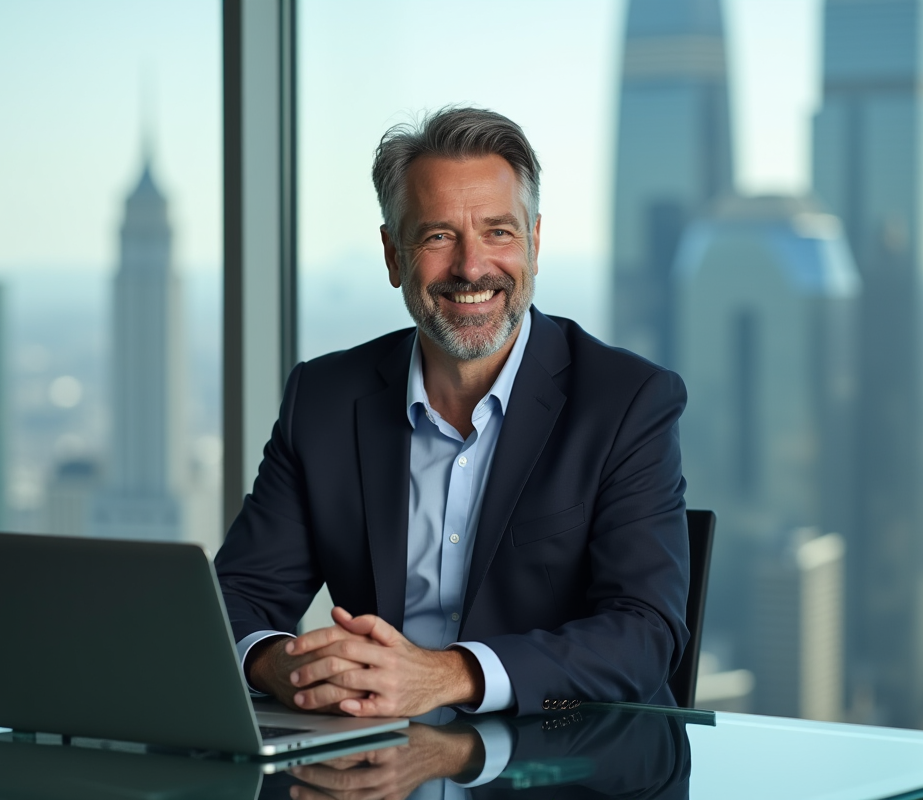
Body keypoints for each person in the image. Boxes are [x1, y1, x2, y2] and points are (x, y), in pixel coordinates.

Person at [214, 107, 689, 719]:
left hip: (561, 766)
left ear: (535, 244)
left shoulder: (627, 400)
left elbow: (646, 633)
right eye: (438, 235)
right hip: (371, 757)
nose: (471, 267)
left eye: (498, 232)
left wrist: (449, 675)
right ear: (392, 255)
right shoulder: (324, 399)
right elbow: (235, 598)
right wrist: (278, 663)